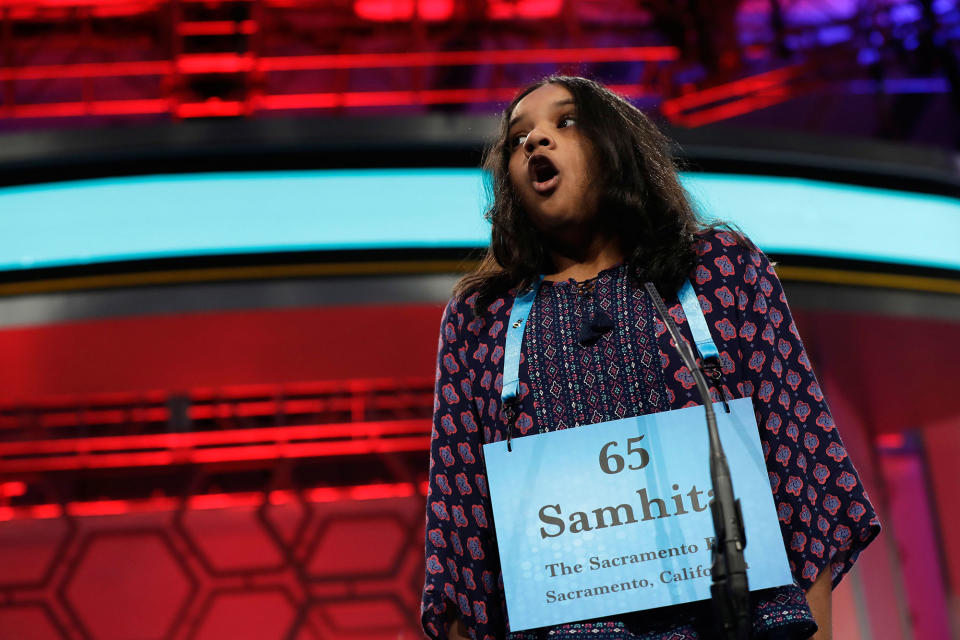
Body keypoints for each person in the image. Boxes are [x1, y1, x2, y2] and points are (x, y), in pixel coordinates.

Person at [420, 76, 879, 640]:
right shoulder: (481, 317)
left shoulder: (719, 270)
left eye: (565, 122)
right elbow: (459, 523)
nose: (536, 140)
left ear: (618, 147)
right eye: (519, 138)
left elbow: (800, 468)